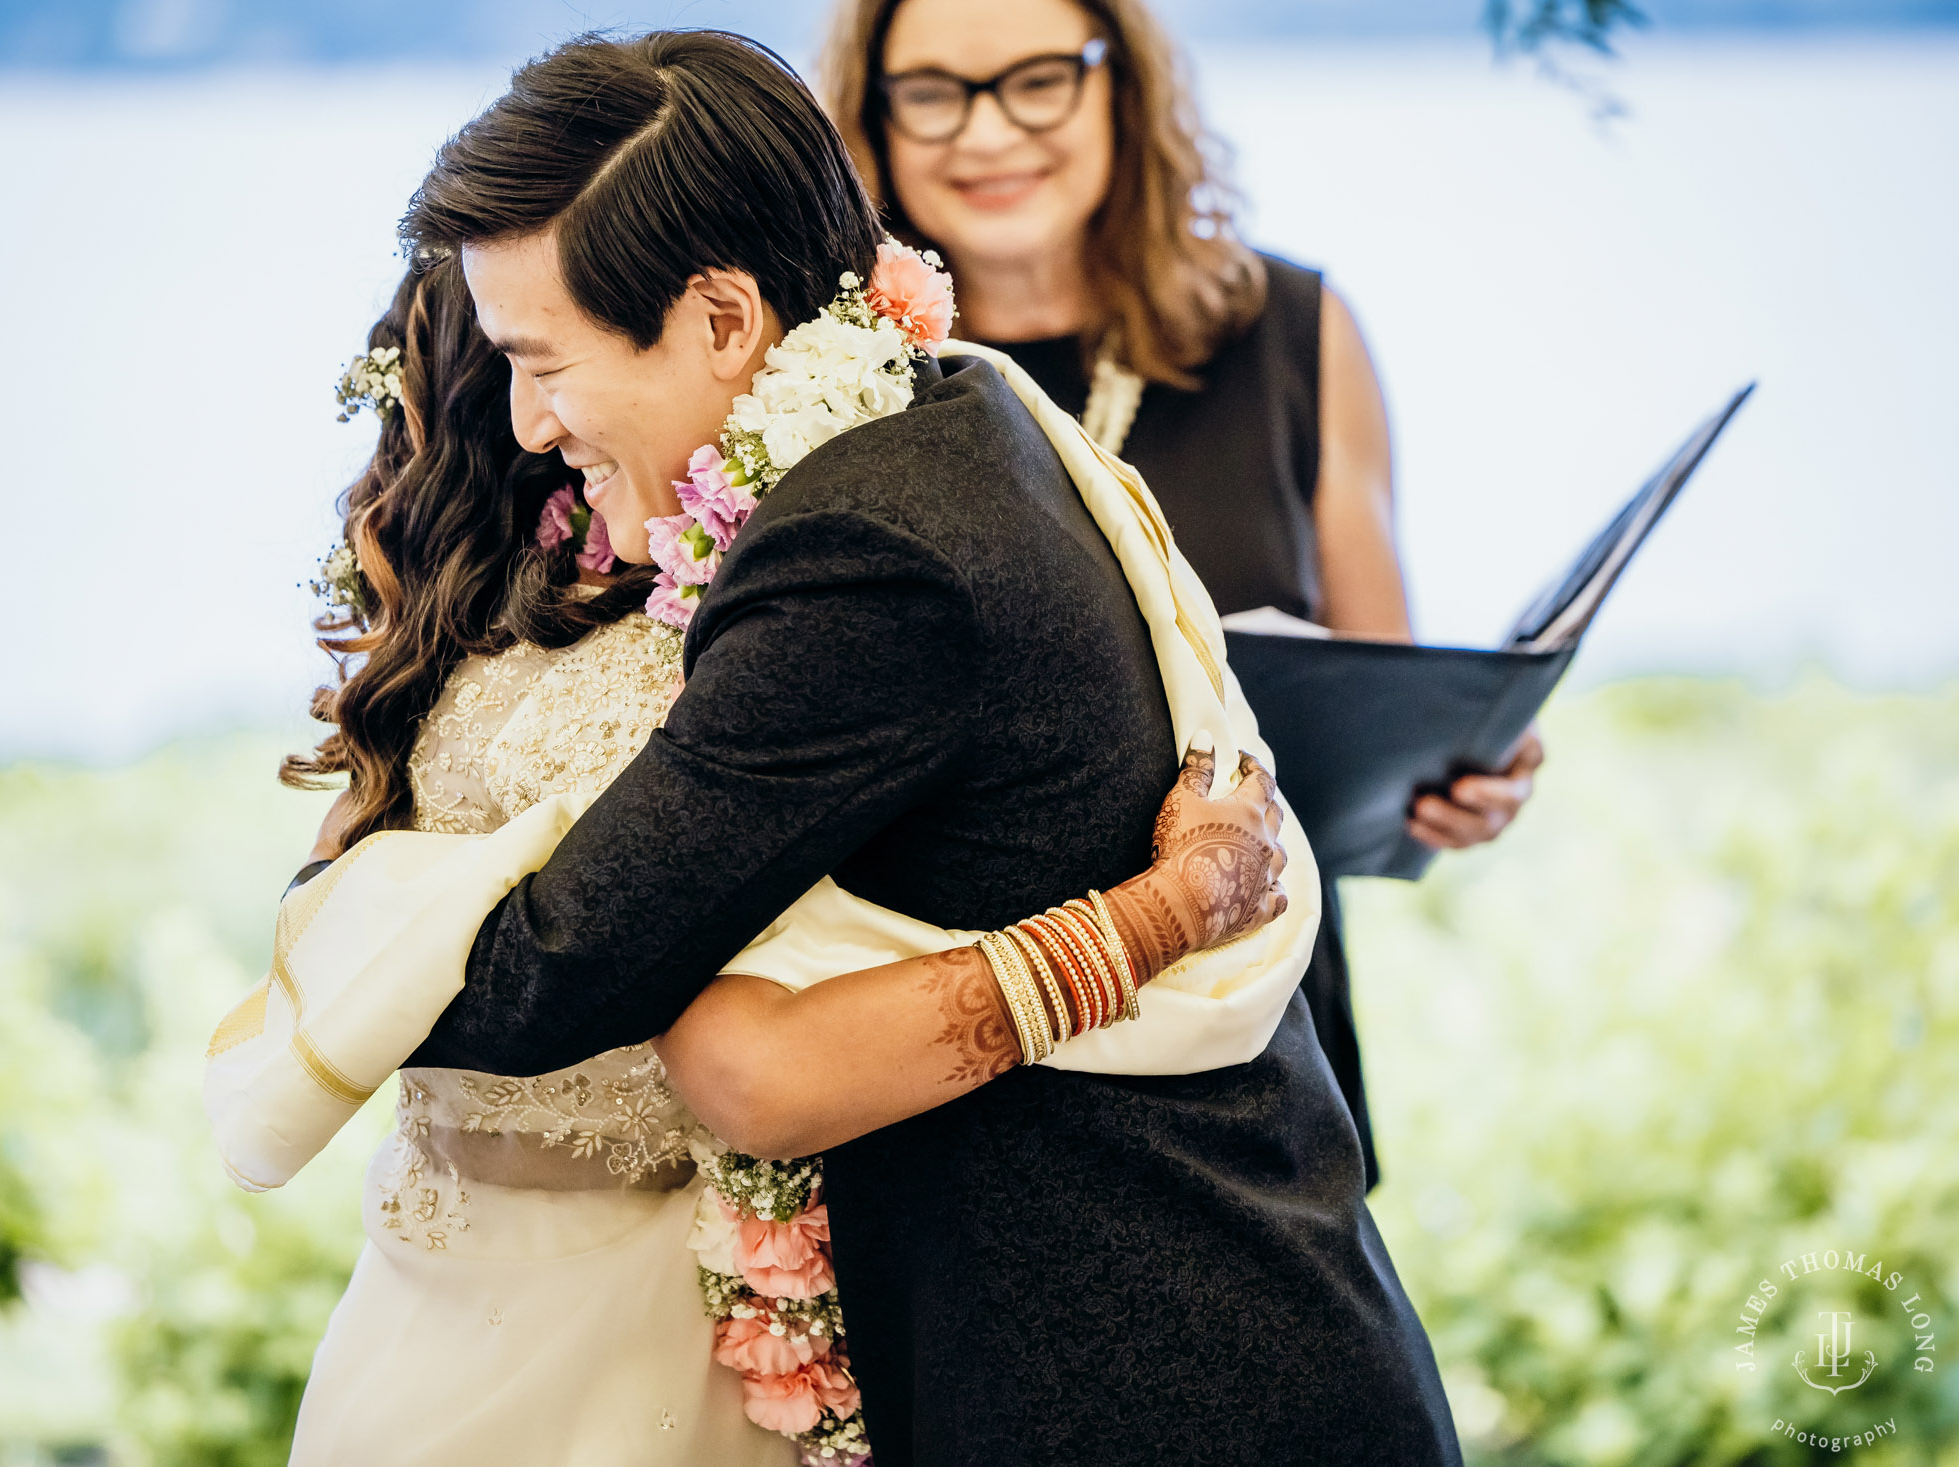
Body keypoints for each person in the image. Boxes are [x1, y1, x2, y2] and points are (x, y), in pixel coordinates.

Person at [377, 29, 1461, 1467]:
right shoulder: (955, 402)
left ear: (720, 320)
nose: (528, 420)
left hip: (1153, 1365)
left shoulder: (860, 548)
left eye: (542, 362)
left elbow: (553, 977)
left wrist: (323, 941)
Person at [247, 254, 1294, 1462]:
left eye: (554, 359)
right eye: (520, 364)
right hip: (471, 1261)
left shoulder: (724, 602)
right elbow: (709, 1049)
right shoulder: (610, 623)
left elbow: (333, 917)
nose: (546, 414)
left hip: (670, 1282)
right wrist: (1172, 909)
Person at [818, 0, 1546, 1186]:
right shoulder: (829, 376)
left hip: (1253, 1033)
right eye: (935, 91)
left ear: (1122, 88)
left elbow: (1376, 695)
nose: (987, 131)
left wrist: (1459, 773)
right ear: (873, 120)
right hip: (945, 1034)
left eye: (1039, 79)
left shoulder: (1294, 333)